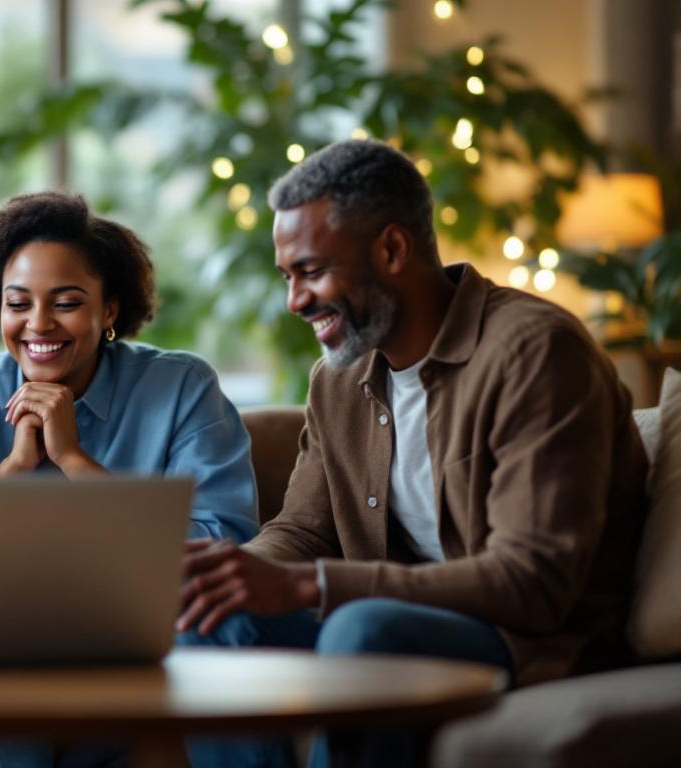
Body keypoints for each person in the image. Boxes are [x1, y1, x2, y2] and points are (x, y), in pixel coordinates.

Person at [178, 139, 648, 766]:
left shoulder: (535, 353)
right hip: (393, 623)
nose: (295, 301)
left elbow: (533, 583)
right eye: (287, 277)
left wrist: (304, 586)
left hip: (528, 639)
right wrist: (231, 578)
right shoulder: (338, 380)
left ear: (393, 249)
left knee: (363, 628)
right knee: (208, 618)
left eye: (312, 271)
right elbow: (302, 528)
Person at [0, 191, 258, 543]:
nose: (39, 323)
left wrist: (73, 460)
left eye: (65, 304)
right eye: (18, 304)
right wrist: (14, 468)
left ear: (109, 309)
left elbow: (223, 540)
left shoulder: (182, 389)